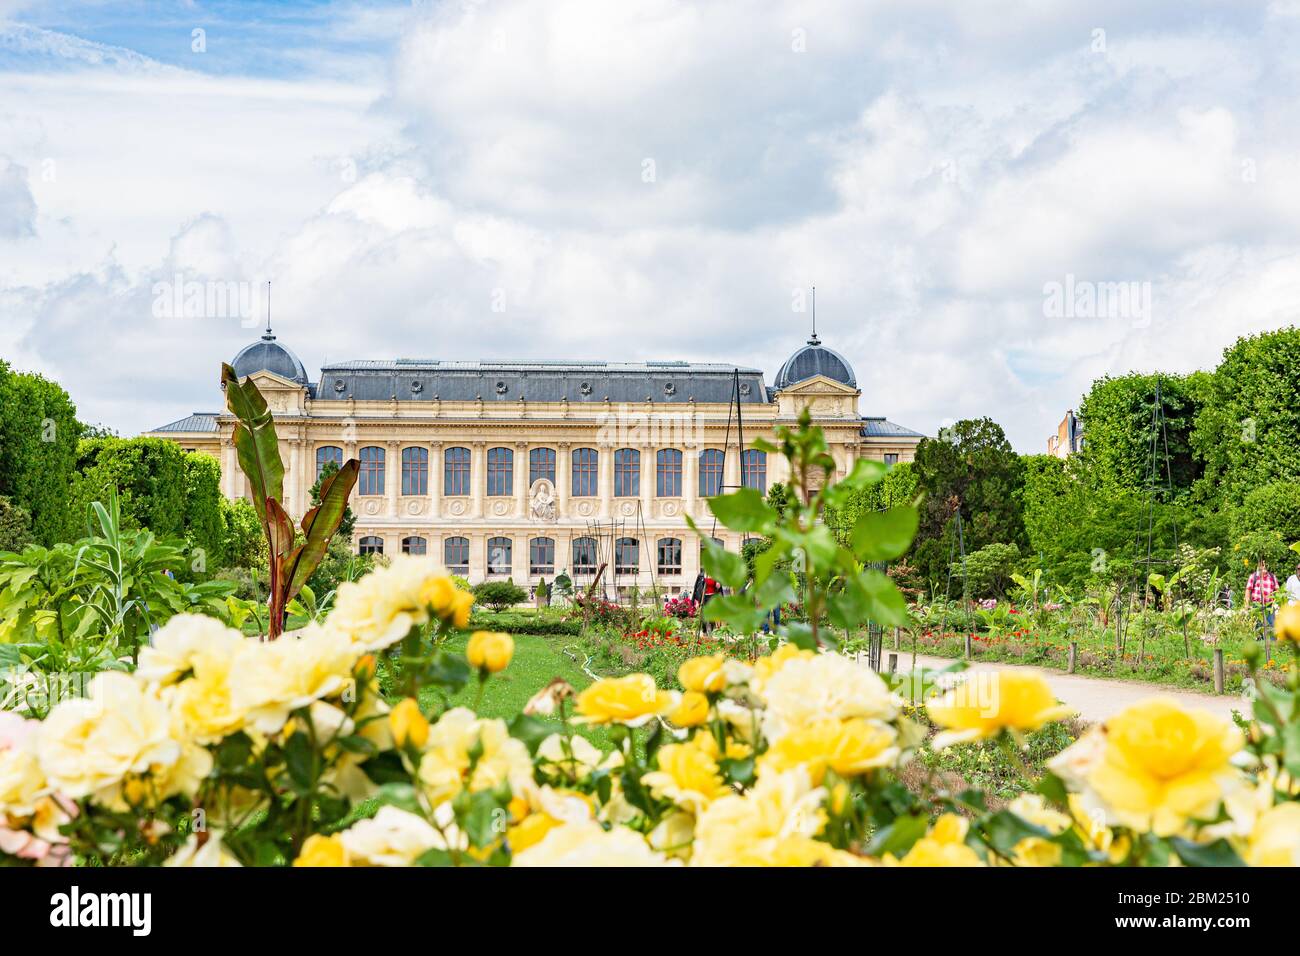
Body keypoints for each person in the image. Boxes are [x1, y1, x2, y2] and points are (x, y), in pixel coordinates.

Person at [1246, 558, 1279, 639]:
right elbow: (1248, 590)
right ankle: (1259, 644)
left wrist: (1277, 603)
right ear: (1259, 565)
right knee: (1258, 627)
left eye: (1265, 564)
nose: (1264, 566)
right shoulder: (1253, 576)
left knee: (1272, 626)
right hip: (1257, 606)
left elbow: (1277, 591)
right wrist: (1247, 604)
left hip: (1269, 606)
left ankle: (1272, 644)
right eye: (1262, 564)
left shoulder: (1272, 576)